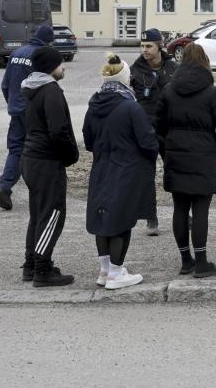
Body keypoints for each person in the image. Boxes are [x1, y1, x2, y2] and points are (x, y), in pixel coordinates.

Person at [156, 43, 216, 278]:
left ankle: (185, 260)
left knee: (180, 208)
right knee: (201, 210)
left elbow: (158, 128)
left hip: (176, 157)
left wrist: (166, 153)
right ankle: (201, 262)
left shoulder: (168, 91)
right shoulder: (212, 93)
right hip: (204, 157)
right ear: (205, 62)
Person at [82, 53, 158, 289]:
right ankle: (116, 273)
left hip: (101, 168)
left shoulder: (94, 104)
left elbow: (88, 141)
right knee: (122, 221)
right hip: (126, 170)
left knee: (103, 218)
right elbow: (148, 142)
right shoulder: (130, 107)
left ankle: (105, 270)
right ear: (125, 78)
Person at [20, 46, 79, 287]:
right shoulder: (51, 90)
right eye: (60, 63)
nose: (63, 66)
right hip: (46, 161)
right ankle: (42, 270)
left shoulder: (32, 89)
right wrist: (70, 155)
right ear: (49, 67)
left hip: (31, 158)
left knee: (38, 215)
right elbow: (59, 130)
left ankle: (31, 265)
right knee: (53, 214)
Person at [0, 24, 55, 211]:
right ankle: (41, 191)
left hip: (16, 110)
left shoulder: (17, 53)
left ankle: (4, 185)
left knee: (16, 149)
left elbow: (5, 84)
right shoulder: (41, 56)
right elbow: (44, 86)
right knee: (38, 150)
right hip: (33, 111)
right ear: (49, 41)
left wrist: (13, 104)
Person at [130, 27, 178, 236]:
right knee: (146, 175)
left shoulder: (173, 68)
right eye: (142, 46)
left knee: (176, 173)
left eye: (149, 46)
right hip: (146, 130)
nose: (145, 50)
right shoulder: (135, 70)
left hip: (170, 130)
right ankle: (151, 218)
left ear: (160, 46)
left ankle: (184, 214)